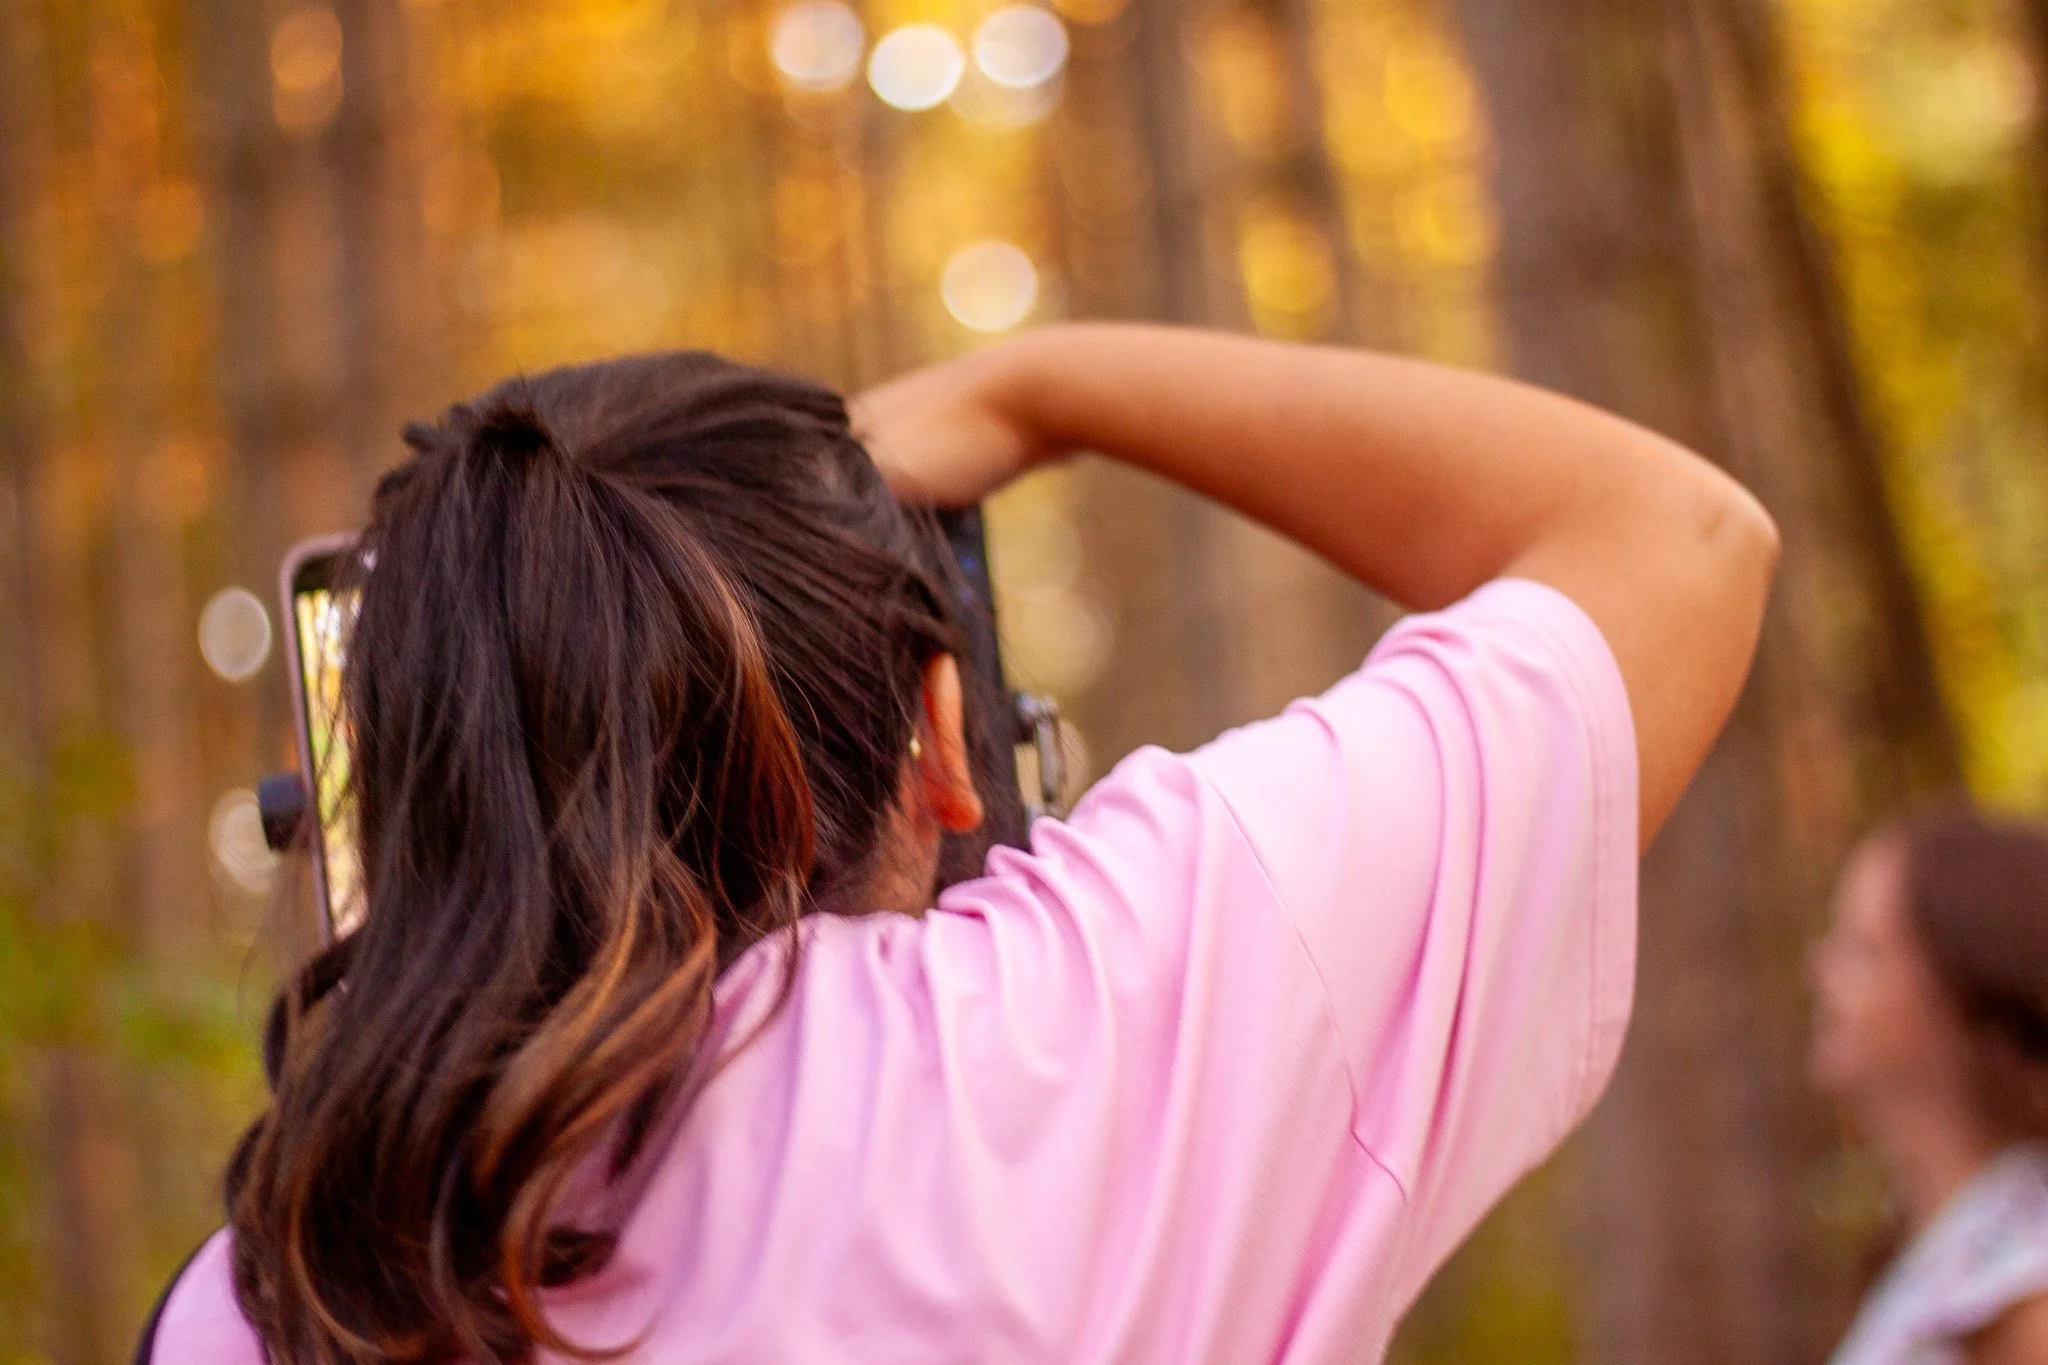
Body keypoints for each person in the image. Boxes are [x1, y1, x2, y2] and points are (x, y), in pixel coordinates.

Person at [144, 325, 1776, 1363]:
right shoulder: (1116, 1016)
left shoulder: (277, 1289)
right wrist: (1040, 386)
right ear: (939, 736)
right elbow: (1678, 539)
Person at [1812, 802, 2048, 1364]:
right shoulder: (1945, 1253)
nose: (1820, 970)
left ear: (1960, 989)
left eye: (1860, 950)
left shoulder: (2021, 1291)